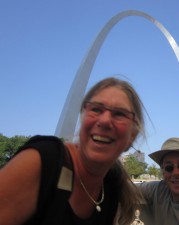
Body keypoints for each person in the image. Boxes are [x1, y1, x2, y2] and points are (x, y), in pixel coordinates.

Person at [0, 77, 146, 225]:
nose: (105, 121)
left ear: (132, 137)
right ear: (82, 120)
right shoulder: (44, 161)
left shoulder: (111, 188)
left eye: (119, 114)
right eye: (96, 109)